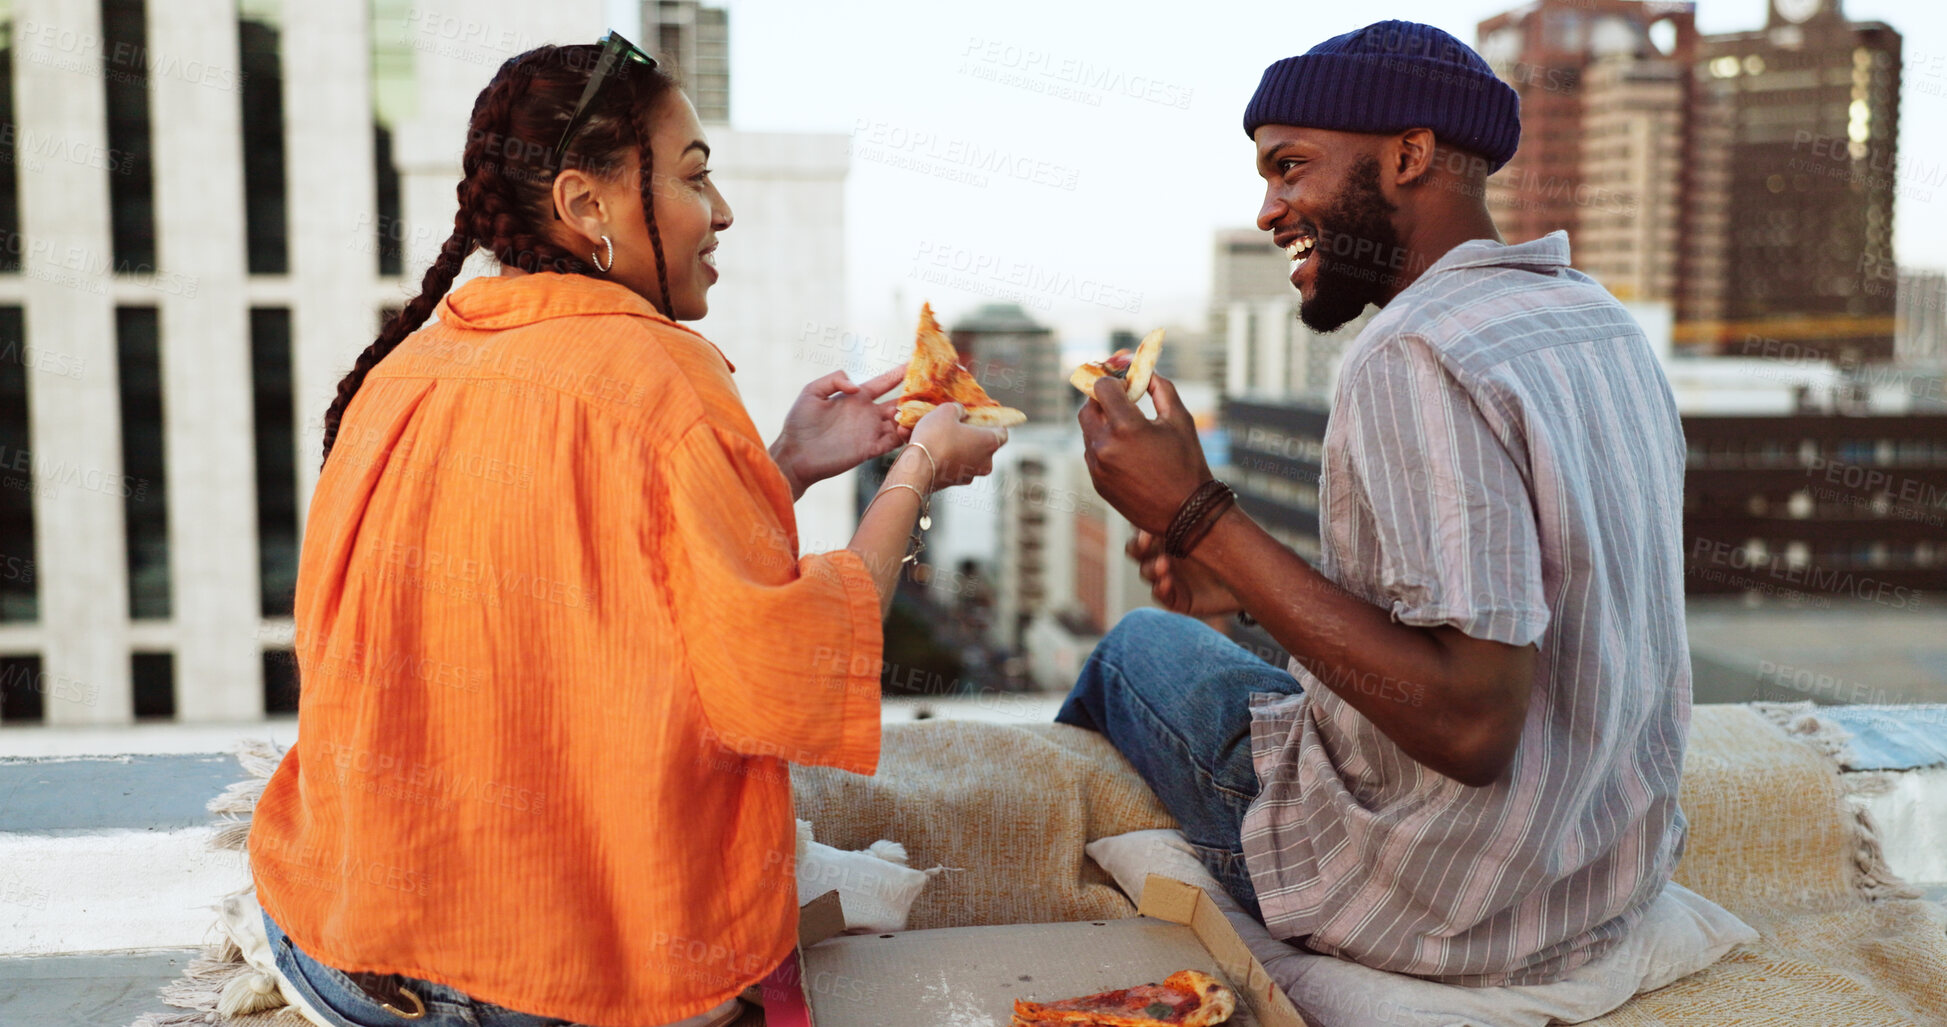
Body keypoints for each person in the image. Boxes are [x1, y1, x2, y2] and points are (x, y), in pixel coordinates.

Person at [246, 34, 1008, 1027]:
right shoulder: (665, 377)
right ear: (584, 205)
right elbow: (789, 679)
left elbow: (594, 572)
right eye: (695, 177)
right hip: (549, 989)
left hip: (335, 951)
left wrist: (782, 463)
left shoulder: (416, 365)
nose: (721, 212)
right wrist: (915, 472)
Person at [1061, 20, 1690, 988]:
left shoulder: (1413, 349)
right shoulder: (1592, 318)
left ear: (1409, 155)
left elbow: (1468, 727)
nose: (1270, 209)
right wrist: (1225, 570)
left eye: (1291, 167)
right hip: (1601, 878)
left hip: (1437, 900)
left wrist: (1195, 515)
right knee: (1222, 643)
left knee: (1137, 649)